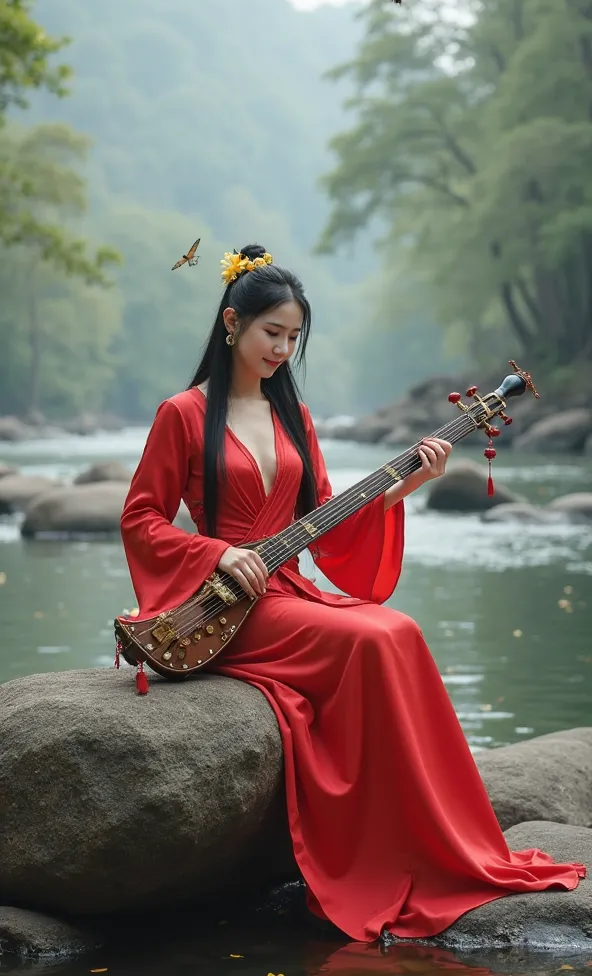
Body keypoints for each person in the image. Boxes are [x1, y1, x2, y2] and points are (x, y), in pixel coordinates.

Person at [119, 244, 585, 943]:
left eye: (293, 337)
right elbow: (141, 518)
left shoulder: (295, 418)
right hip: (230, 602)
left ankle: (438, 843)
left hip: (289, 588)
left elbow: (326, 520)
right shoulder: (183, 414)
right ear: (231, 325)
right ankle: (386, 854)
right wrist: (222, 553)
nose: (282, 348)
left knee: (398, 630)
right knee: (376, 636)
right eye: (270, 332)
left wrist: (408, 486)